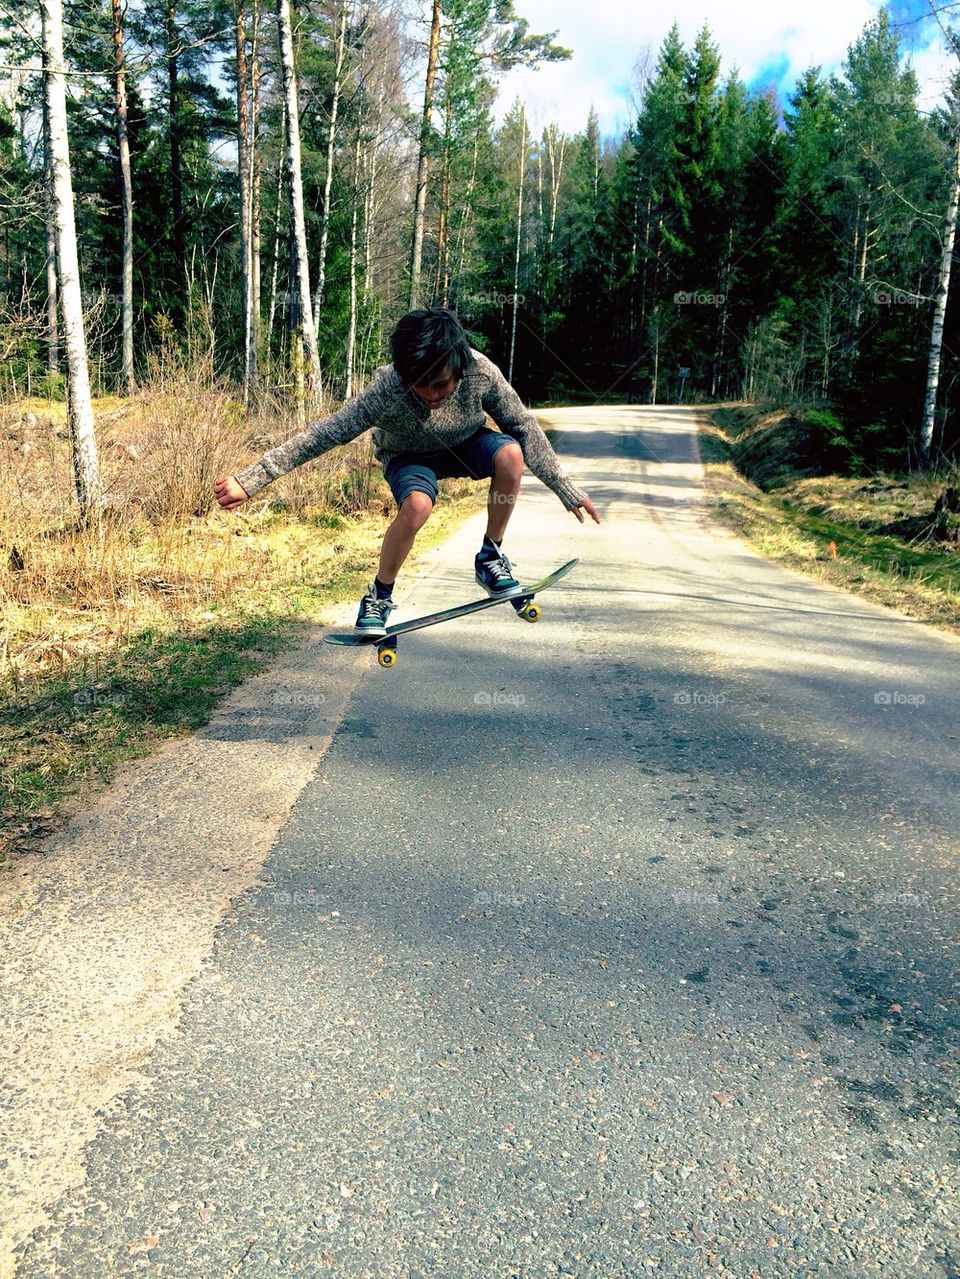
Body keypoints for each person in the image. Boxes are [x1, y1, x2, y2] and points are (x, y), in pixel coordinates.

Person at [214, 307, 600, 636]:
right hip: (407, 455)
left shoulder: (482, 372)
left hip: (465, 446)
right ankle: (380, 595)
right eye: (420, 385)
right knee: (415, 506)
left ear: (459, 368)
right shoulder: (387, 387)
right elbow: (324, 434)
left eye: (441, 385)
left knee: (511, 455)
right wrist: (251, 480)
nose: (432, 395)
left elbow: (523, 425)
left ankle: (490, 555)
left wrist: (563, 486)